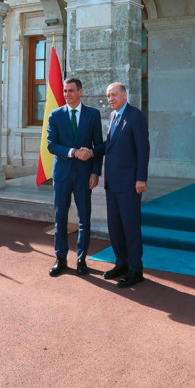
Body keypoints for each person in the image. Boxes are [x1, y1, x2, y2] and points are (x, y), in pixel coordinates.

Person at [45, 77, 104, 277]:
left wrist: (95, 172)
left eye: (71, 91)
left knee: (84, 217)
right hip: (62, 174)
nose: (67, 95)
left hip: (84, 175)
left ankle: (81, 258)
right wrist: (73, 151)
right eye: (64, 91)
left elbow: (98, 147)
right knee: (60, 217)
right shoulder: (55, 115)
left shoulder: (93, 115)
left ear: (80, 91)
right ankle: (60, 258)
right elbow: (51, 145)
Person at [102, 82, 150, 288]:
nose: (110, 99)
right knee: (115, 227)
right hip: (111, 183)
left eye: (114, 95)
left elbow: (143, 149)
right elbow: (108, 146)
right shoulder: (113, 117)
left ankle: (135, 270)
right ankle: (121, 263)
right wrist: (90, 151)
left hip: (130, 184)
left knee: (130, 228)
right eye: (108, 96)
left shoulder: (135, 116)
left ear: (124, 95)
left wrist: (141, 178)